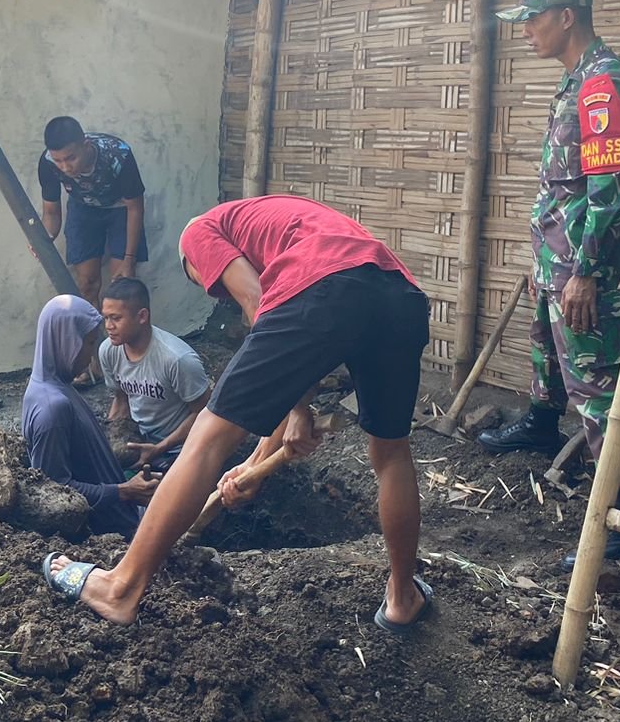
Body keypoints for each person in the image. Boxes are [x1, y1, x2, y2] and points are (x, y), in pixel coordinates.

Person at [42, 196, 433, 632]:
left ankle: (120, 587)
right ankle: (402, 597)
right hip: (400, 297)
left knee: (208, 434)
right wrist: (254, 460)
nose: (214, 289)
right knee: (392, 453)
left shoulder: (198, 234)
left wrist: (299, 408)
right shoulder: (288, 221)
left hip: (326, 287)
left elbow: (259, 300)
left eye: (206, 283)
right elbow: (310, 340)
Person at [476, 0, 620, 560]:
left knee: (599, 391)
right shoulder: (576, 81)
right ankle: (539, 425)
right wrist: (546, 261)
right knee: (549, 361)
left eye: (533, 19)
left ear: (567, 16)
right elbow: (566, 189)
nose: (525, 31)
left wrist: (587, 274)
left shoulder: (603, 87)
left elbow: (611, 192)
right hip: (556, 264)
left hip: (581, 273)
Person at [23, 294, 160, 538]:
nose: (90, 356)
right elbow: (55, 494)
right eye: (87, 344)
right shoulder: (52, 408)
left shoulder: (55, 385)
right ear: (65, 342)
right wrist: (124, 491)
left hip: (121, 516)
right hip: (109, 537)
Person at [37, 116, 147, 382]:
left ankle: (125, 364)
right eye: (59, 160)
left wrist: (129, 259)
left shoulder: (118, 155)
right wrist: (44, 237)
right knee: (87, 285)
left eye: (70, 158)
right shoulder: (48, 163)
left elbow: (135, 207)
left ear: (86, 145)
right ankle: (91, 360)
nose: (65, 166)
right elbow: (51, 212)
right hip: (83, 210)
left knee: (122, 286)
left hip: (121, 210)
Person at [97, 277, 211, 473]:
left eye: (116, 318)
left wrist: (159, 449)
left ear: (142, 316)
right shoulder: (108, 350)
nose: (108, 326)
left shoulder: (177, 359)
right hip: (140, 441)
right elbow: (121, 398)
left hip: (179, 448)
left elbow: (204, 413)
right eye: (105, 318)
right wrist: (110, 441)